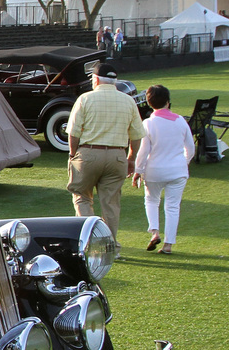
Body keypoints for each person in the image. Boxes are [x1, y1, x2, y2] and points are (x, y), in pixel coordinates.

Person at [65, 62, 145, 245]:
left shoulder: (85, 99)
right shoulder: (128, 101)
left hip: (89, 153)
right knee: (111, 204)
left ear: (96, 79)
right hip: (117, 155)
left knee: (82, 197)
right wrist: (131, 158)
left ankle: (89, 242)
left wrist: (73, 154)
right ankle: (110, 245)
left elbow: (73, 133)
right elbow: (136, 136)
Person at [132, 85, 195, 255]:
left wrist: (138, 170)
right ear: (168, 102)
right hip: (177, 171)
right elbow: (190, 148)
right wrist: (184, 162)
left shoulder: (149, 123)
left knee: (151, 200)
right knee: (172, 207)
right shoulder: (181, 120)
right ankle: (168, 244)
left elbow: (144, 151)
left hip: (154, 170)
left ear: (149, 102)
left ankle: (155, 232)